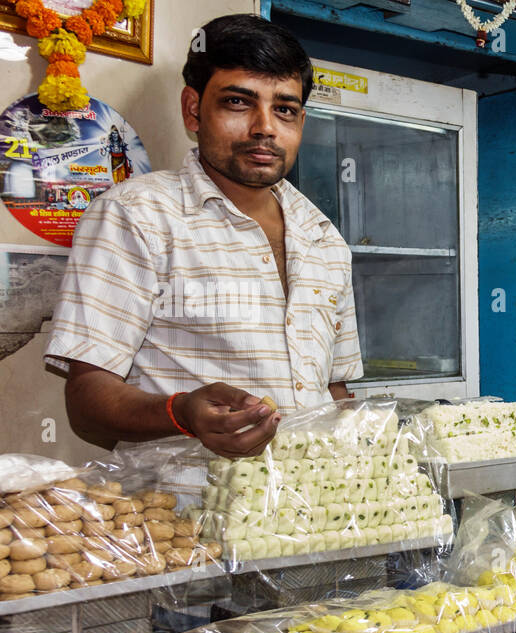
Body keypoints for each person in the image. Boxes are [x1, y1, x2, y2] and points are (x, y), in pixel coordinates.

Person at [45, 14, 362, 460]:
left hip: (308, 517)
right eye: (238, 102)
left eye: (285, 109)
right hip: (180, 514)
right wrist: (181, 413)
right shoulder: (137, 216)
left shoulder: (324, 238)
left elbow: (333, 389)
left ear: (301, 122)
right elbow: (87, 401)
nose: (265, 127)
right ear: (193, 109)